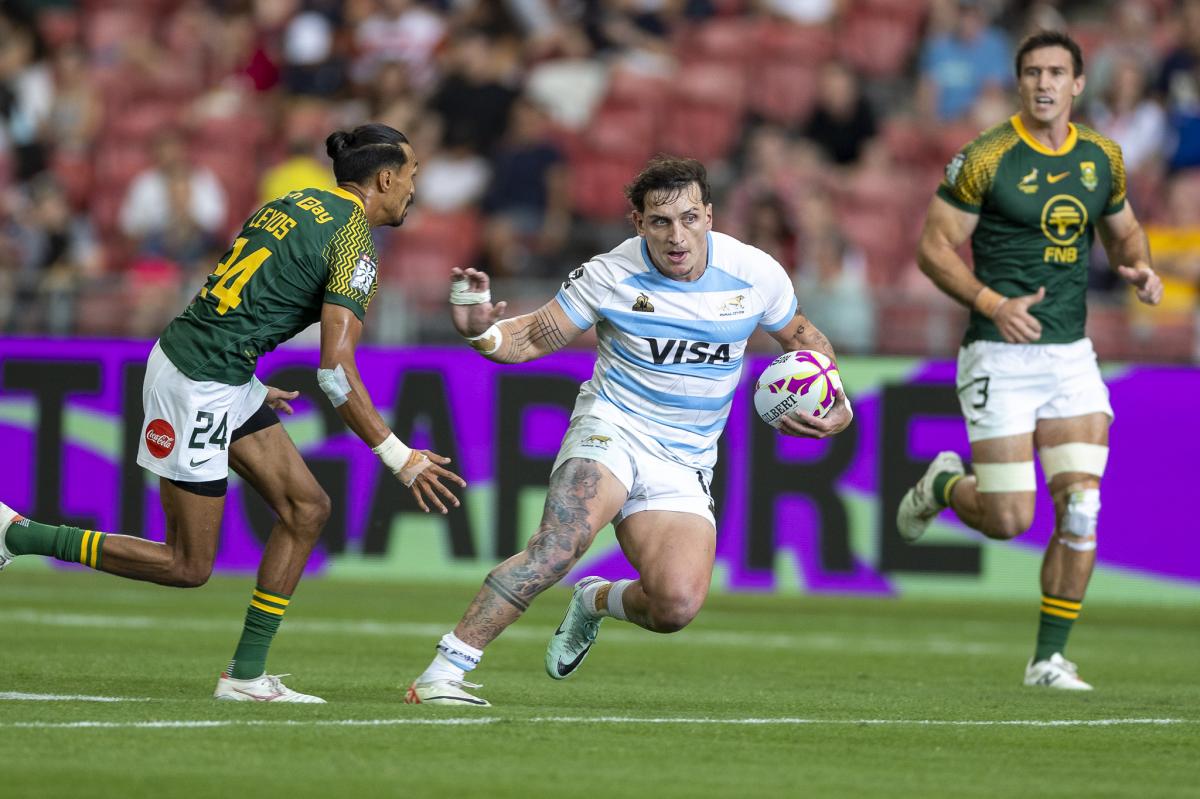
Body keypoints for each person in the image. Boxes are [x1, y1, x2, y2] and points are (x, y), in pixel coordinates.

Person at [0, 123, 466, 702]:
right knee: (187, 565)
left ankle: (245, 676)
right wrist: (399, 456)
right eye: (414, 174)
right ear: (387, 178)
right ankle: (21, 536)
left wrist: (247, 378)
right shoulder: (354, 243)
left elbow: (243, 292)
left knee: (307, 508)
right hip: (200, 380)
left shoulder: (294, 202)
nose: (416, 187)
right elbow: (334, 373)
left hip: (217, 368)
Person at [404, 155, 853, 707]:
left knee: (675, 606)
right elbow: (535, 336)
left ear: (710, 216)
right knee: (559, 544)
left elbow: (805, 340)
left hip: (686, 458)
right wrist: (483, 334)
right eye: (660, 222)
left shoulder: (756, 273)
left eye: (689, 219)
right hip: (612, 426)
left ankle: (593, 601)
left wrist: (838, 403)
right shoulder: (609, 274)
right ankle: (444, 672)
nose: (677, 236)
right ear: (638, 222)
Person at [897, 31, 1163, 691]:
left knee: (1082, 508)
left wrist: (1138, 264)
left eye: (1057, 73)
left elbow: (1124, 228)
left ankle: (1048, 659)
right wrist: (992, 300)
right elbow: (933, 247)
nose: (1045, 84)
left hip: (1070, 357)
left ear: (1078, 84)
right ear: (1019, 83)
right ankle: (943, 486)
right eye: (1034, 72)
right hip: (999, 353)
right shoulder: (986, 157)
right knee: (1009, 518)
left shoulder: (1102, 156)